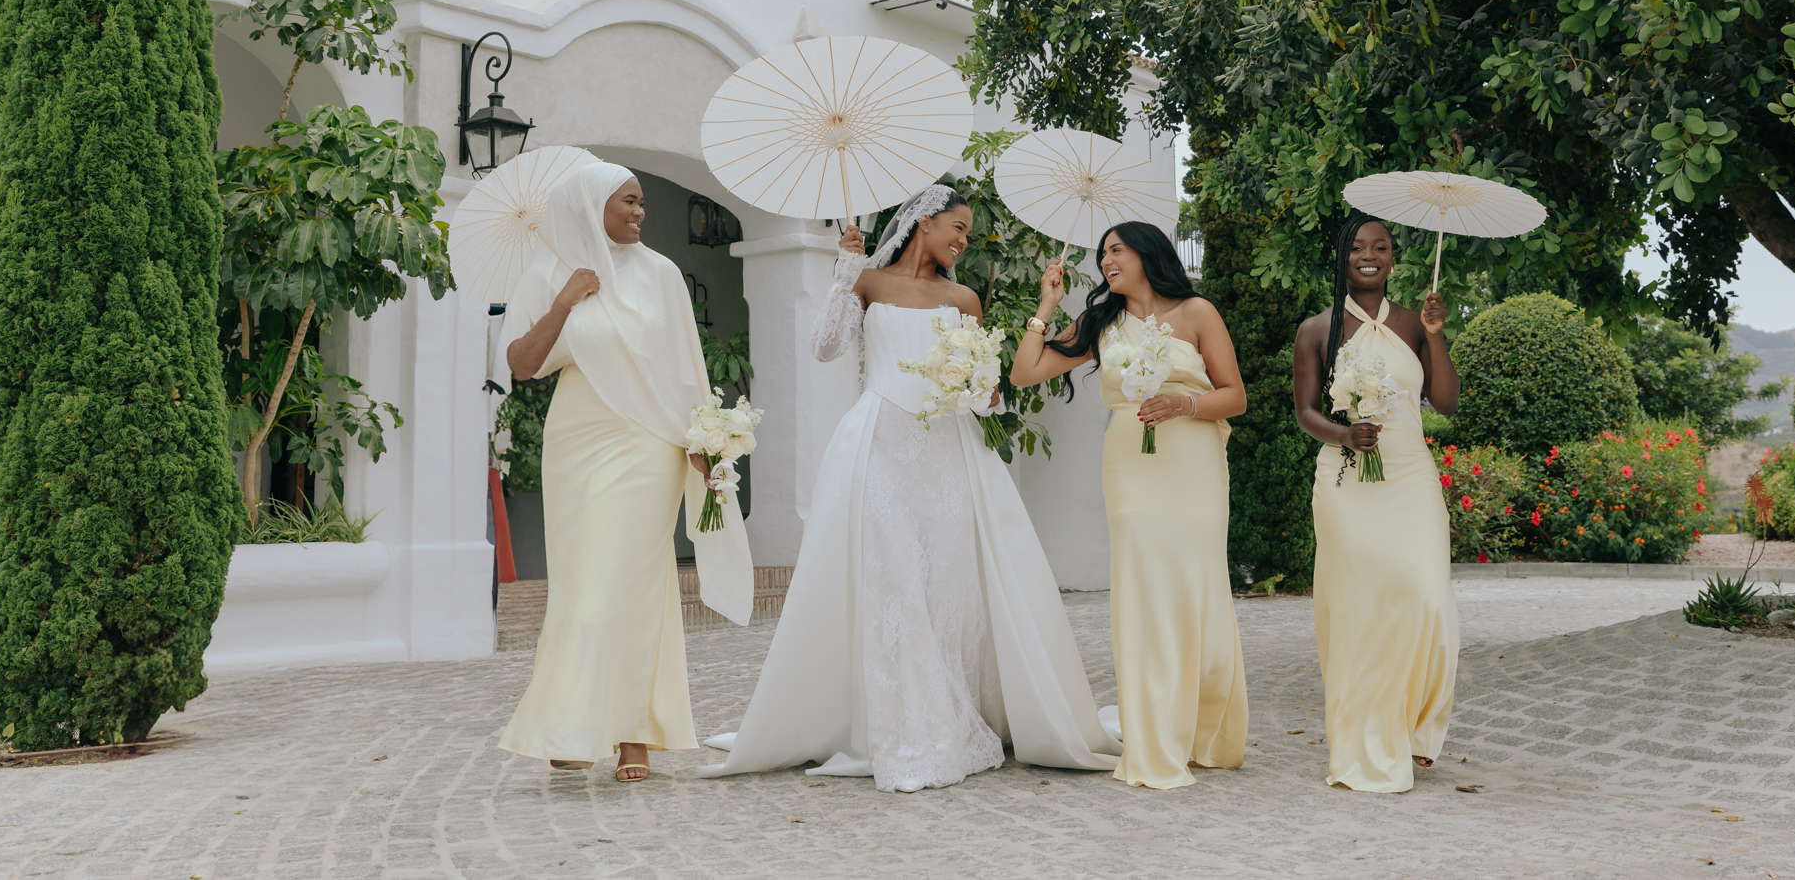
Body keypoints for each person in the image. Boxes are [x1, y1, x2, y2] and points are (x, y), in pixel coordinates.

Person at [699, 183, 1120, 792]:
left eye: (969, 233)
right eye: (958, 228)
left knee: (948, 584)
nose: (963, 241)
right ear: (923, 222)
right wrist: (845, 268)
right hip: (879, 447)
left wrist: (982, 385)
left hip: (949, 453)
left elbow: (987, 394)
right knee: (894, 580)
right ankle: (908, 724)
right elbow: (823, 347)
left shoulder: (965, 298)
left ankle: (954, 706)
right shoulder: (868, 282)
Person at [495, 161, 752, 782]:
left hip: (648, 445)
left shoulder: (661, 273)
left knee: (630, 580)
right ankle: (575, 725)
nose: (641, 212)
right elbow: (523, 364)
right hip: (577, 440)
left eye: (642, 203)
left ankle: (635, 732)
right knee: (582, 583)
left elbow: (686, 365)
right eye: (629, 201)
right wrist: (564, 301)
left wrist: (704, 440)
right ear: (591, 206)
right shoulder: (549, 271)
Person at [1010, 222, 1248, 789]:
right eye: (1102, 255)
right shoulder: (1101, 323)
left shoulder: (1197, 312)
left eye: (1117, 250)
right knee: (1144, 589)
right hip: (1131, 465)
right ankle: (1154, 736)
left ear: (1147, 254)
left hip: (1193, 460)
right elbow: (1024, 374)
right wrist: (1045, 305)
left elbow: (1234, 396)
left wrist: (1183, 402)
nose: (1107, 261)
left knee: (1199, 587)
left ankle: (1207, 728)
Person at [1291, 212, 1460, 792]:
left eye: (1381, 246)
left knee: (1426, 598)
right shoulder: (1317, 328)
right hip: (1346, 483)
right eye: (1358, 247)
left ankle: (1413, 723)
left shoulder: (1416, 323)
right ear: (1343, 257)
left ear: (1394, 257)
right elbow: (1306, 411)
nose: (1369, 255)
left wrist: (1436, 338)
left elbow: (1445, 402)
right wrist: (1343, 434)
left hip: (1411, 476)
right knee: (1362, 609)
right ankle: (1367, 735)